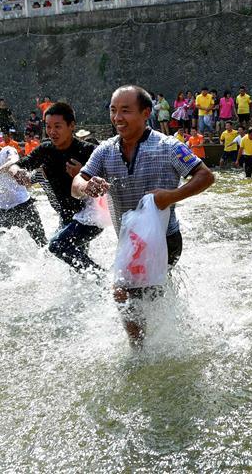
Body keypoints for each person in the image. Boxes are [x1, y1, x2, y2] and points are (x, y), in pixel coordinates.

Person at [72, 85, 215, 345]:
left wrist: (170, 196)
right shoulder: (105, 150)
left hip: (166, 239)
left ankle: (139, 350)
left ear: (146, 113)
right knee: (146, 294)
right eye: (113, 111)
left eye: (125, 111)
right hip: (128, 241)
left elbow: (205, 176)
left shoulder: (168, 146)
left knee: (122, 291)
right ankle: (168, 335)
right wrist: (87, 186)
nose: (117, 118)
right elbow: (76, 185)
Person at [10, 102, 101, 270]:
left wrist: (83, 173)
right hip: (66, 215)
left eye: (57, 126)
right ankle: (94, 282)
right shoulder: (46, 150)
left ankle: (101, 277)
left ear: (71, 126)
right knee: (75, 262)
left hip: (91, 215)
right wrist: (17, 171)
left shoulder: (88, 150)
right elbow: (18, 164)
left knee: (57, 245)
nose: (52, 132)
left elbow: (113, 176)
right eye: (48, 126)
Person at [0, 122, 46, 247]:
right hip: (4, 210)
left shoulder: (8, 150)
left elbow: (12, 161)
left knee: (42, 244)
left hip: (24, 207)